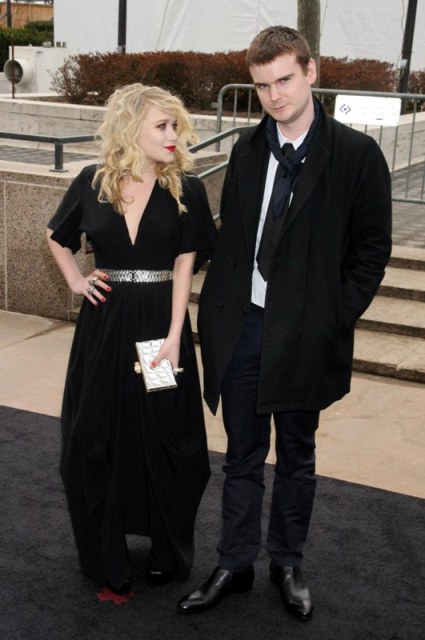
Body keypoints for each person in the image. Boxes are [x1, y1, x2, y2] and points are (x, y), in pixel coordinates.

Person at [178, 26, 392, 620]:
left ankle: (287, 563)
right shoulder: (247, 149)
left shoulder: (356, 155)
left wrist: (332, 318)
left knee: (297, 456)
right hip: (243, 328)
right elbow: (235, 234)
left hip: (306, 336)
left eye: (285, 80)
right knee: (241, 455)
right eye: (262, 85)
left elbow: (372, 250)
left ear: (311, 72)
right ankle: (234, 563)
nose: (275, 96)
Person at [47, 83, 217, 598]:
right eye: (162, 125)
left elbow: (185, 265)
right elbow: (56, 236)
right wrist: (77, 281)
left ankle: (167, 549)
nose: (173, 134)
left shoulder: (187, 189)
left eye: (175, 125)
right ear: (130, 127)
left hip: (160, 329)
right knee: (94, 435)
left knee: (169, 439)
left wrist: (175, 336)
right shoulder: (92, 182)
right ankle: (106, 551)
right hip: (104, 327)